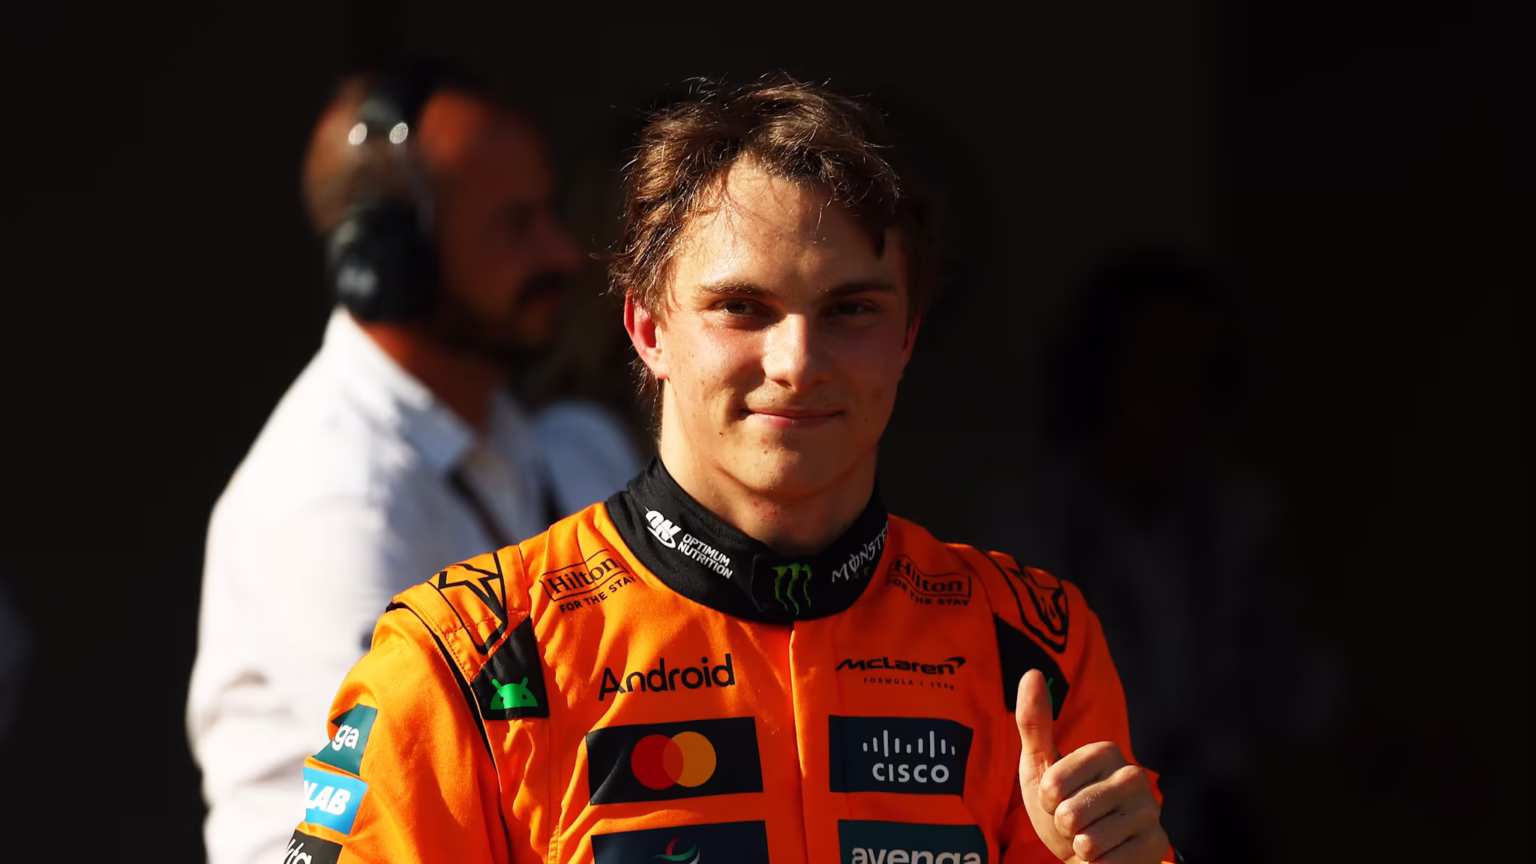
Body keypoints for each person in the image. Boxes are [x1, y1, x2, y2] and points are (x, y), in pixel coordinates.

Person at [284, 74, 1181, 864]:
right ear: (648, 329)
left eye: (851, 310)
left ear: (908, 336)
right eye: (742, 307)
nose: (798, 361)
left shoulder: (1034, 646)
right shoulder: (465, 659)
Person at [186, 63, 641, 864]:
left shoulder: (559, 444)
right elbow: (424, 791)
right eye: (517, 225)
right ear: (391, 262)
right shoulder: (333, 501)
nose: (562, 254)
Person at [981, 249, 1341, 861]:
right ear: (1096, 379)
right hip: (1080, 833)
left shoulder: (1235, 522)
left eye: (1204, 377)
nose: (1181, 401)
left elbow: (1296, 687)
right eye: (1156, 371)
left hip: (1220, 829)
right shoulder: (1025, 531)